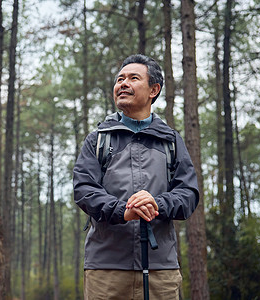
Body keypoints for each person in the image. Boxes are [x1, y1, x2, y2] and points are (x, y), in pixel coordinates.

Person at [73, 54, 199, 299]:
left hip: (160, 270)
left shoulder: (171, 141)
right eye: (120, 79)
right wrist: (122, 210)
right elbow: (84, 189)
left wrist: (158, 204)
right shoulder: (98, 139)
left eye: (133, 78)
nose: (123, 83)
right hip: (106, 270)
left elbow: (188, 194)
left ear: (154, 90)